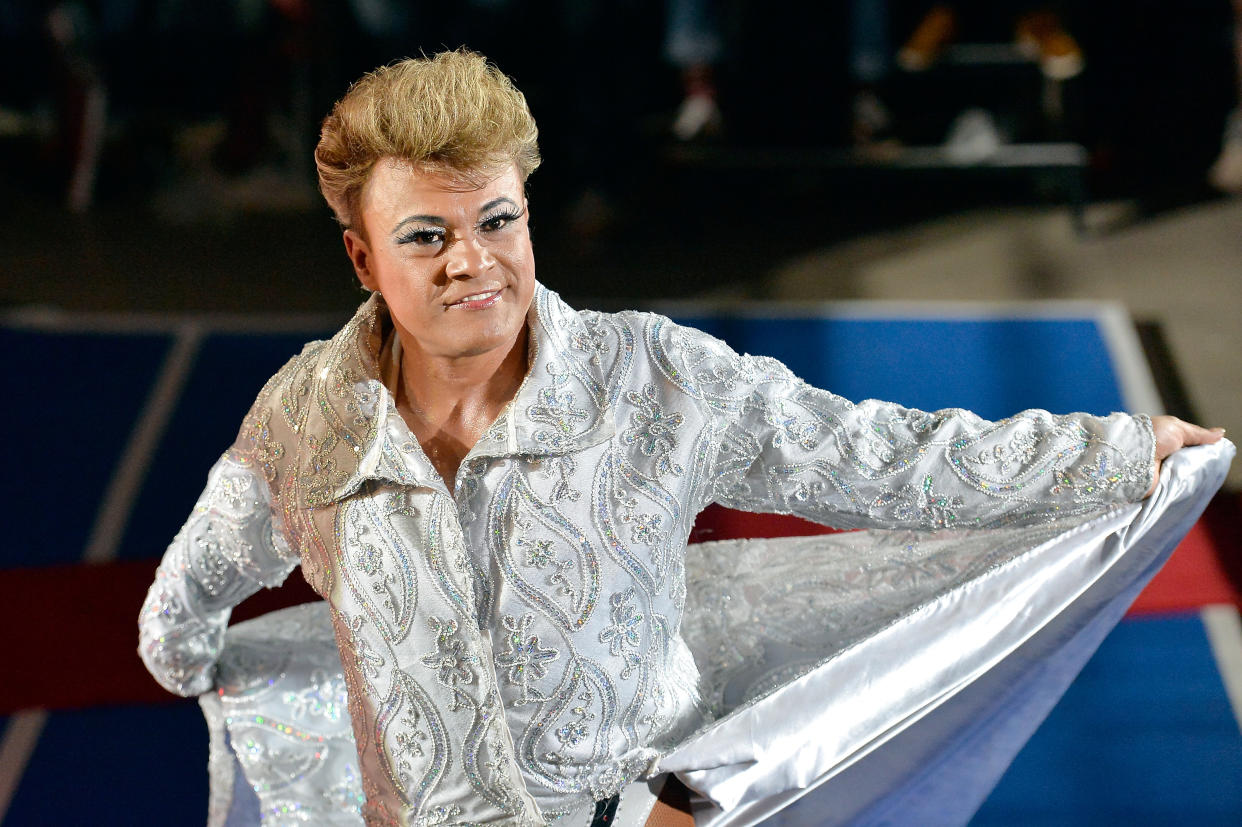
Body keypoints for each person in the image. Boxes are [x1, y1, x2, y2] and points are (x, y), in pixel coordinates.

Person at [137, 49, 1228, 826]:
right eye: (427, 235)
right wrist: (182, 649)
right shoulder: (304, 420)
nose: (474, 261)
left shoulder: (656, 379)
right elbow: (203, 573)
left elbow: (882, 456)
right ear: (362, 260)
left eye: (498, 221)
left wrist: (1117, 454)